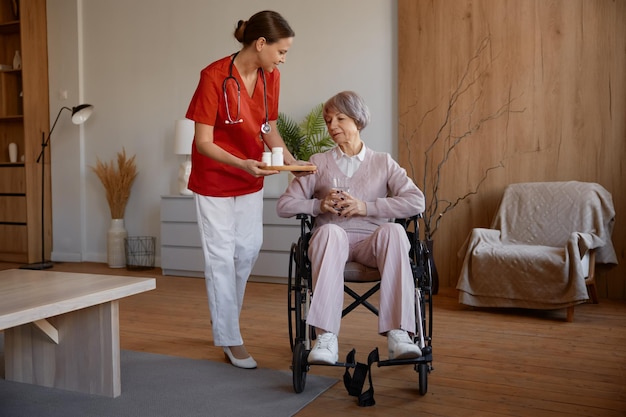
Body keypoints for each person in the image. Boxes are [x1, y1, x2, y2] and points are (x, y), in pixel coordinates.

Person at [185, 10, 304, 369]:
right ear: (261, 43)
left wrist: (292, 163)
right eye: (281, 51)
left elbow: (267, 127)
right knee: (220, 256)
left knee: (248, 249)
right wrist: (240, 162)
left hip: (251, 176)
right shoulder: (214, 76)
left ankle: (224, 319)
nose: (283, 58)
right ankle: (230, 338)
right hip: (215, 179)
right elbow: (203, 142)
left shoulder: (272, 77)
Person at [276, 91, 425, 364]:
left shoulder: (383, 162)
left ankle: (399, 334)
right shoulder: (318, 162)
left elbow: (417, 201)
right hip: (332, 245)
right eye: (328, 120)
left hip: (372, 246)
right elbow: (284, 206)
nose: (332, 126)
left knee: (394, 231)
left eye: (340, 118)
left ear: (357, 120)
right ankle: (326, 337)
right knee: (331, 232)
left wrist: (366, 207)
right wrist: (318, 206)